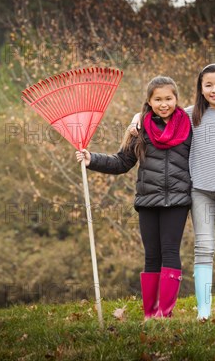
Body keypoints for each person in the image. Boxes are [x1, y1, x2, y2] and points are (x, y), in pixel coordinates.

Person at [129, 64, 215, 320]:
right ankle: (203, 311)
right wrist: (136, 117)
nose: (214, 90)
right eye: (208, 85)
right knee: (203, 248)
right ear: (200, 89)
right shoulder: (189, 116)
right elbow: (158, 111)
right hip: (199, 192)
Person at [75, 76, 192, 319]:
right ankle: (150, 313)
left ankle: (165, 313)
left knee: (170, 251)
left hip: (177, 201)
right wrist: (91, 159)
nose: (164, 104)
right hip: (147, 201)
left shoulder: (189, 126)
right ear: (149, 101)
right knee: (151, 255)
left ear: (176, 99)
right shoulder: (140, 130)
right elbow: (122, 162)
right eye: (157, 99)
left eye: (168, 98)